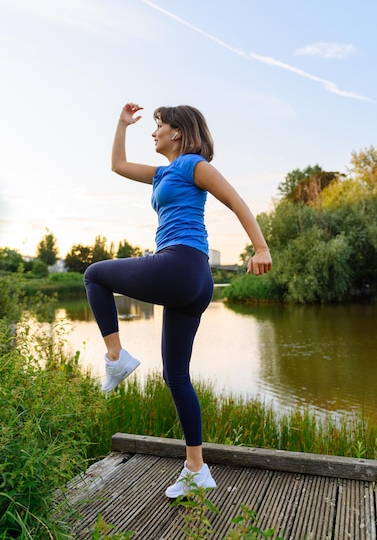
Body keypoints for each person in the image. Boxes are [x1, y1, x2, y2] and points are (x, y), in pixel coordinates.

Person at [84, 102, 272, 498]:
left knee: (94, 274)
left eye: (159, 126)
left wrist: (260, 247)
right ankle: (196, 468)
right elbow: (117, 165)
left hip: (183, 264)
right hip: (188, 277)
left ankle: (116, 359)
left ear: (179, 133)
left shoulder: (192, 165)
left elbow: (237, 201)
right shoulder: (161, 174)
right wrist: (121, 124)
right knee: (175, 376)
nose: (153, 133)